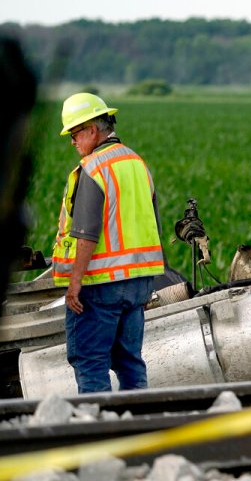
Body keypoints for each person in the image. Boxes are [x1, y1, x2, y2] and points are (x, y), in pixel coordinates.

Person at [52, 93, 164, 393]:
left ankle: (98, 430)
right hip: (139, 281)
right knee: (130, 362)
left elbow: (86, 232)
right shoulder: (137, 163)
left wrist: (74, 282)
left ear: (91, 130)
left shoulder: (93, 168)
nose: (73, 142)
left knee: (89, 362)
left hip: (99, 284)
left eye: (75, 134)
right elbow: (154, 222)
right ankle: (138, 428)